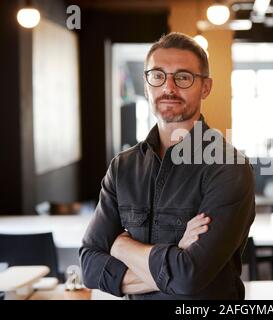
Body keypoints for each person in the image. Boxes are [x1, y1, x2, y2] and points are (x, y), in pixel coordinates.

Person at [79, 32, 255, 300]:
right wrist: (175, 254)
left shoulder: (228, 168)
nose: (168, 88)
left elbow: (189, 277)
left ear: (205, 87)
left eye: (183, 77)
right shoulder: (122, 168)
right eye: (158, 76)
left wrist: (120, 245)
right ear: (146, 83)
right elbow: (90, 268)